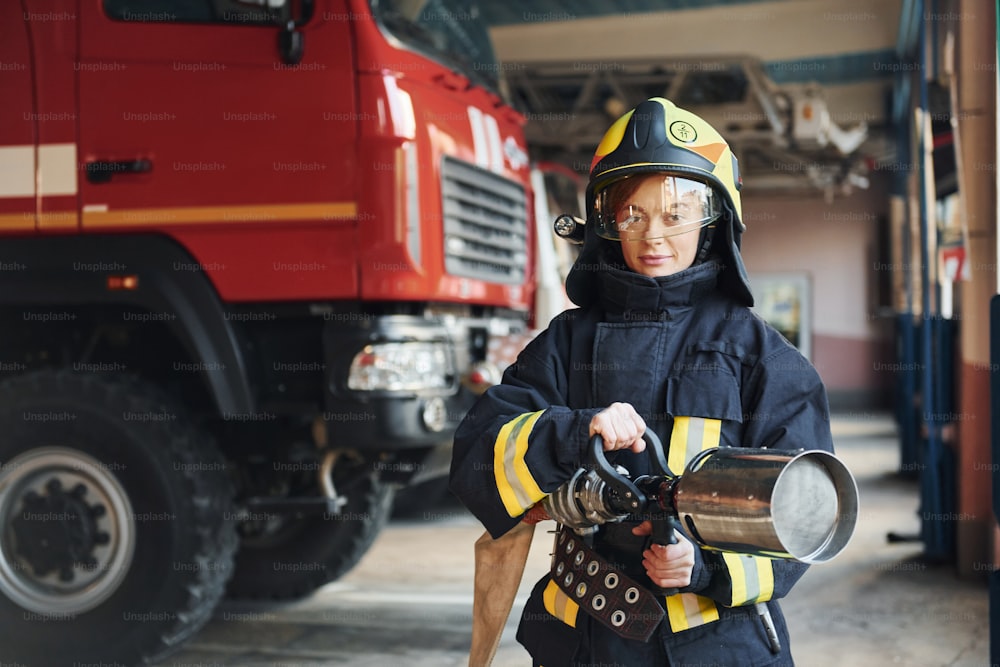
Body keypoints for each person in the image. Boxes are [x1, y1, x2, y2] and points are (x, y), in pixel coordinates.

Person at [450, 97, 835, 666]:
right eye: (631, 215)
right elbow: (477, 461)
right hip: (581, 641)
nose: (653, 235)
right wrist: (572, 431)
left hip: (717, 648)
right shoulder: (565, 343)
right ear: (605, 224)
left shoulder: (762, 358)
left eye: (676, 214)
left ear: (713, 221)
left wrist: (707, 569)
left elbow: (808, 512)